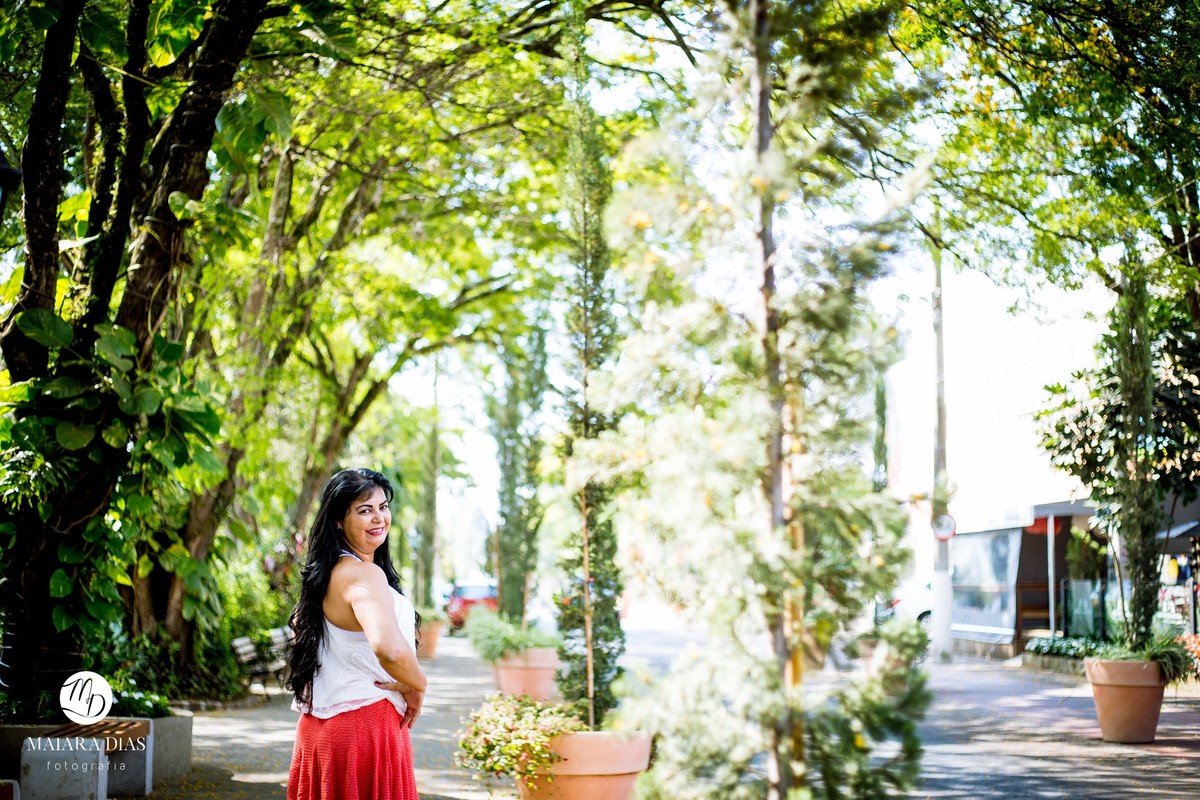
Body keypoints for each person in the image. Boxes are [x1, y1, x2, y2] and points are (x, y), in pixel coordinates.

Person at [286, 468, 426, 800]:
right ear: (338, 520)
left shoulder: (327, 576)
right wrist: (418, 684)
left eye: (382, 506)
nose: (379, 517)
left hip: (319, 730)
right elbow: (389, 650)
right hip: (366, 730)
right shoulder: (363, 575)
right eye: (364, 510)